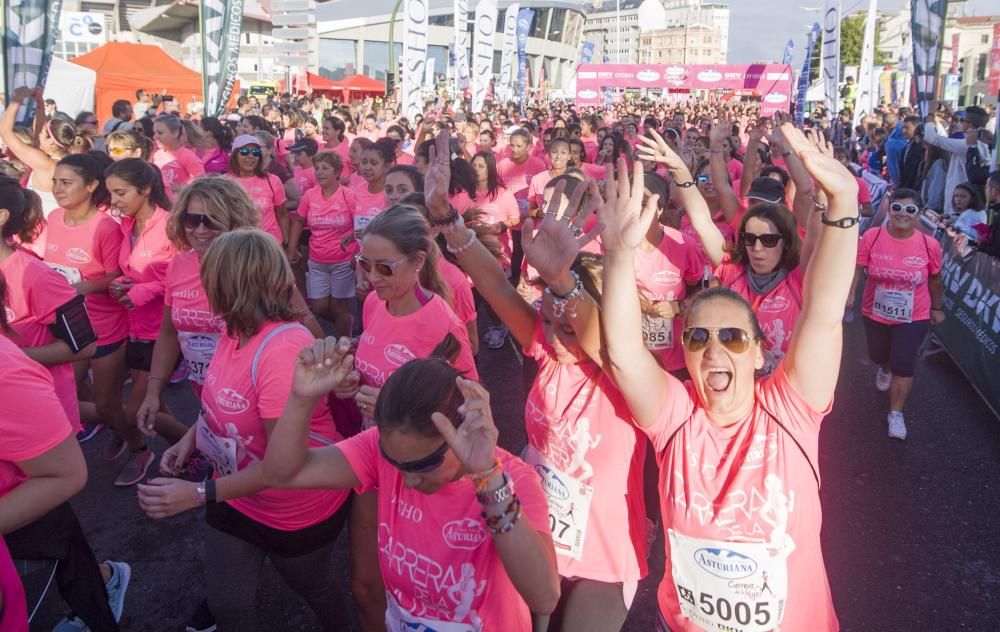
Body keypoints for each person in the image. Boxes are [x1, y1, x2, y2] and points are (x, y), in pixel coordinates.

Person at [602, 121, 860, 632]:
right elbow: (626, 356)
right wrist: (616, 254)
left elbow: (825, 309)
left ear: (760, 350)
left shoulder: (790, 410)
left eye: (733, 338)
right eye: (698, 339)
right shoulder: (675, 418)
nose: (714, 348)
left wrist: (845, 201)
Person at [424, 128, 651, 630]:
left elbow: (594, 331)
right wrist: (444, 216)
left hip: (603, 552)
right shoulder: (545, 350)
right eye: (547, 320)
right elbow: (492, 283)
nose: (556, 334)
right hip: (534, 524)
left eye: (567, 322)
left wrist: (562, 281)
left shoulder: (624, 373)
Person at [136, 229, 351, 632]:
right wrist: (190, 439)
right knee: (226, 604)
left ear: (227, 284)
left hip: (293, 507)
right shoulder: (234, 329)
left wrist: (196, 494)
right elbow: (219, 400)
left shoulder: (283, 349)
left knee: (315, 588)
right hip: (236, 495)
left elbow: (284, 465)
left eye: (209, 276)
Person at [262, 346, 559, 630]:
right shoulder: (380, 449)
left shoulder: (513, 480)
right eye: (395, 463)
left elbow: (544, 597)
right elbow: (282, 474)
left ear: (463, 429)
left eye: (425, 465)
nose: (407, 481)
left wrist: (487, 477)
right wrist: (301, 398)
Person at [338, 204, 479, 630]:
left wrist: (394, 406)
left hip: (422, 473)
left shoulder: (441, 325)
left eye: (384, 267)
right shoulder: (375, 306)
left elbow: (471, 408)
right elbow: (372, 365)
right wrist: (348, 381)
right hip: (372, 458)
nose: (371, 278)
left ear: (419, 261)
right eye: (364, 265)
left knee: (416, 593)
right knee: (364, 587)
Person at [0, 278, 129, 632]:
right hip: (31, 448)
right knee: (74, 557)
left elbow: (85, 346)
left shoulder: (34, 272)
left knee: (108, 408)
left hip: (41, 433)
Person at [43, 154, 151, 485]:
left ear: (91, 187)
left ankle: (139, 446)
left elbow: (118, 277)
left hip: (105, 328)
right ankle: (117, 425)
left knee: (105, 404)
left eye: (66, 182)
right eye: (55, 182)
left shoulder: (106, 227)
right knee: (64, 395)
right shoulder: (53, 218)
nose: (58, 189)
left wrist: (83, 286)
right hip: (67, 329)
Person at [105, 159, 189, 451]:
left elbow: (187, 278)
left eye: (121, 193)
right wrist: (124, 284)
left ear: (146, 189)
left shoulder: (170, 225)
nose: (114, 201)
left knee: (133, 412)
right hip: (134, 328)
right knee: (157, 405)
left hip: (163, 332)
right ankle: (188, 454)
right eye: (111, 193)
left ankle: (199, 449)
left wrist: (143, 291)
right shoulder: (126, 225)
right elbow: (135, 271)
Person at [849, 188, 943, 441]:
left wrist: (937, 307)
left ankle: (896, 413)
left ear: (919, 214)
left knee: (904, 361)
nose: (903, 214)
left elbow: (935, 278)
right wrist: (849, 294)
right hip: (875, 311)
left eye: (910, 209)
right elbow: (858, 267)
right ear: (889, 209)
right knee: (879, 354)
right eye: (897, 208)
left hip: (915, 314)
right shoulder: (872, 236)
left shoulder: (929, 244)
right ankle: (885, 367)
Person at [287, 151, 357, 337]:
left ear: (337, 172)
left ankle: (345, 344)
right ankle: (346, 321)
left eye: (325, 168)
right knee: (318, 306)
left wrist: (354, 242)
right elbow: (299, 221)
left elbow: (361, 223)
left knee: (338, 305)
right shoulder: (310, 196)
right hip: (317, 260)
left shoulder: (348, 195)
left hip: (343, 259)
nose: (319, 172)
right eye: (317, 168)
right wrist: (292, 248)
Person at [1, 87, 88, 216]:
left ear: (51, 142)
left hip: (40, 228)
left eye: (43, 132)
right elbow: (38, 131)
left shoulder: (45, 163)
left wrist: (17, 99)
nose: (37, 133)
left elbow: (5, 132)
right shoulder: (60, 160)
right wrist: (39, 102)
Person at [924, 105, 991, 216]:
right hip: (966, 202)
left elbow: (931, 138)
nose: (960, 123)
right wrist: (952, 115)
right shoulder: (979, 142)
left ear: (969, 124)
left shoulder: (966, 145)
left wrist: (930, 115)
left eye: (962, 120)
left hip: (959, 205)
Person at [227, 134, 290, 246]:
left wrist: (287, 244)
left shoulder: (272, 180)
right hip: (238, 247)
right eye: (245, 151)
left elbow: (282, 215)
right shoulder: (224, 183)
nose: (251, 156)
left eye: (255, 152)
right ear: (234, 155)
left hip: (270, 245)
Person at [152, 115, 206, 198]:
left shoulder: (188, 156)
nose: (155, 137)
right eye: (154, 133)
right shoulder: (157, 154)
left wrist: (174, 187)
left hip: (180, 204)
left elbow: (201, 186)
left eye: (160, 133)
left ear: (176, 133)